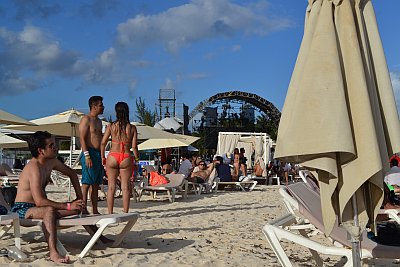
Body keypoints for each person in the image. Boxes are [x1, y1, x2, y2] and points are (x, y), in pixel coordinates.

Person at [11, 131, 84, 263]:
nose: (56, 147)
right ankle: (53, 253)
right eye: (51, 145)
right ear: (41, 150)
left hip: (40, 208)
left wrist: (79, 199)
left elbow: (72, 174)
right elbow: (39, 201)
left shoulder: (52, 162)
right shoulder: (33, 168)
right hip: (22, 209)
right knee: (49, 211)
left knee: (79, 207)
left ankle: (100, 238)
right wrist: (68, 205)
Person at [101, 102, 138, 214]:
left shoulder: (111, 126)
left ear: (116, 112)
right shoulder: (132, 128)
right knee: (125, 187)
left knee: (111, 187)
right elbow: (134, 147)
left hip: (113, 156)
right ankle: (125, 212)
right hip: (126, 156)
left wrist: (103, 156)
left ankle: (110, 212)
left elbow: (103, 143)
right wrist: (136, 159)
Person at [79, 95, 104, 214]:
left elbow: (100, 138)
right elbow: (82, 138)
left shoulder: (99, 121)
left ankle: (94, 209)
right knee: (86, 182)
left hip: (98, 153)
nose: (103, 107)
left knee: (95, 184)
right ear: (94, 106)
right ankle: (83, 208)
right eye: (100, 105)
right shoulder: (86, 119)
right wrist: (87, 155)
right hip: (89, 152)